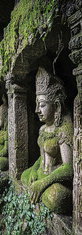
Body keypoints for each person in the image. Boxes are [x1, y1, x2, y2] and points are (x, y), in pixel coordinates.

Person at [21, 67, 73, 214]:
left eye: (42, 105)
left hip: (55, 181)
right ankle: (37, 190)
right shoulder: (43, 129)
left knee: (58, 198)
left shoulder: (64, 127)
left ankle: (38, 191)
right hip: (41, 174)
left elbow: (69, 168)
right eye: (37, 104)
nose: (37, 109)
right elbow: (42, 156)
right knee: (24, 176)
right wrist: (34, 170)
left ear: (56, 105)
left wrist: (43, 183)